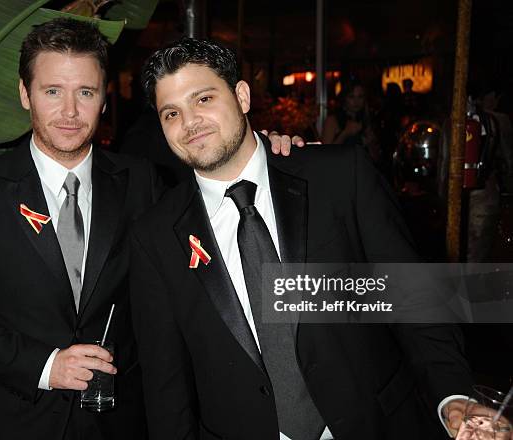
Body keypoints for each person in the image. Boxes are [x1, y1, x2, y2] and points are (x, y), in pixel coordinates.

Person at [0, 18, 303, 440]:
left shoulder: (143, 181)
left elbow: (217, 205)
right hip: (18, 419)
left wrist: (270, 155)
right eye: (52, 92)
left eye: (85, 92)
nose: (70, 111)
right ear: (25, 94)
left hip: (123, 422)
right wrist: (46, 365)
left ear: (104, 99)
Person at [130, 38, 474, 440]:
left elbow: (413, 297)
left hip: (374, 423)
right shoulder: (154, 236)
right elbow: (164, 383)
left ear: (241, 95)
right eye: (171, 113)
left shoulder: (340, 177)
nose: (190, 123)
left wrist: (453, 396)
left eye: (203, 99)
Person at [321, 79, 379, 162]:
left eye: (360, 96)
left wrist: (370, 144)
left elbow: (375, 160)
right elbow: (325, 155)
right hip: (339, 170)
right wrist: (345, 133)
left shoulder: (365, 120)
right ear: (344, 98)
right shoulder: (332, 120)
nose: (356, 101)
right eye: (351, 96)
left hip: (361, 171)